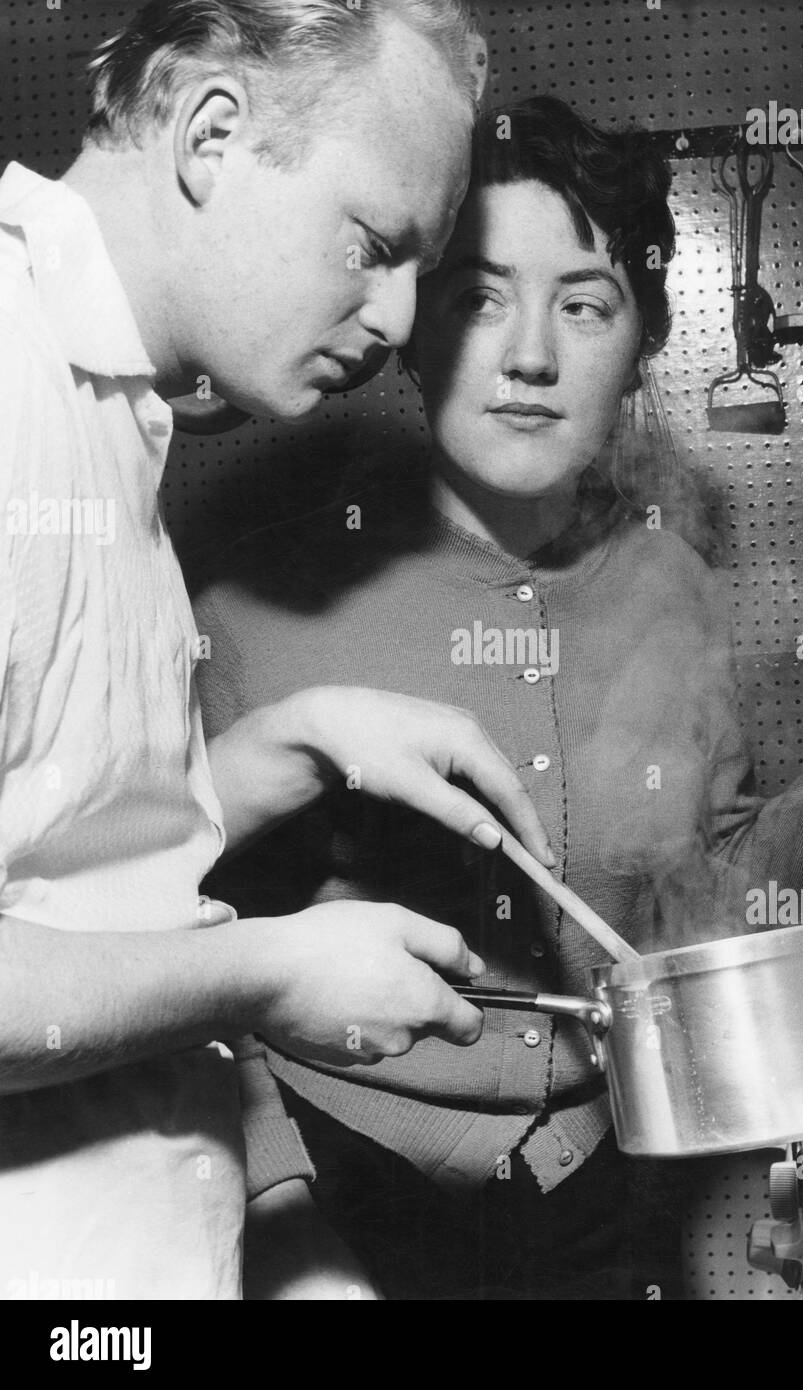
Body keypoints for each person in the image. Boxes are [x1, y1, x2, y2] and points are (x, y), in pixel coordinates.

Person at [197, 94, 803, 1300]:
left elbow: (699, 911)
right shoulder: (262, 599)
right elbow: (182, 948)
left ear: (641, 341)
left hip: (600, 1202)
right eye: (477, 295)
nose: (527, 355)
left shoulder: (673, 582)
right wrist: (277, 1207)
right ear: (411, 329)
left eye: (582, 302)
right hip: (333, 1197)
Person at [0, 0, 560, 1303]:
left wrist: (280, 750)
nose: (398, 315)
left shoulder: (101, 405)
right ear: (210, 132)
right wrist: (268, 969)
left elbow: (52, 860)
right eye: (373, 244)